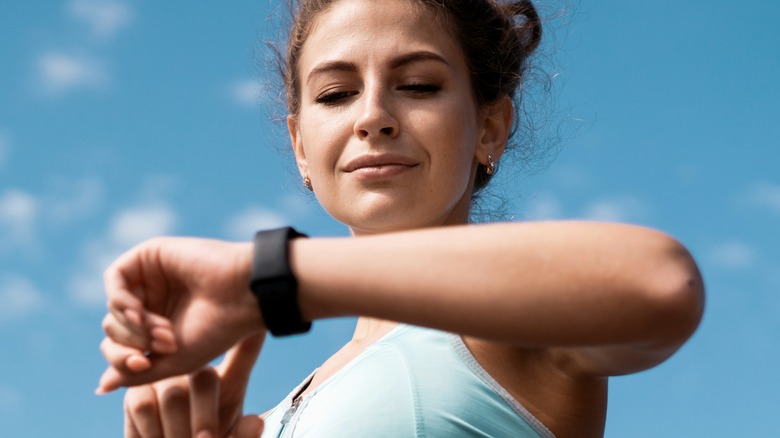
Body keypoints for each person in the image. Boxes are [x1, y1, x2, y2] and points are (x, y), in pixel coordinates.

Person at [97, 0, 705, 437]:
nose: (374, 117)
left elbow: (660, 282)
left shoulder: (506, 331)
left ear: (490, 127)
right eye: (335, 94)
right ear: (301, 148)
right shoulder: (280, 409)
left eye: (417, 85)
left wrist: (266, 279)